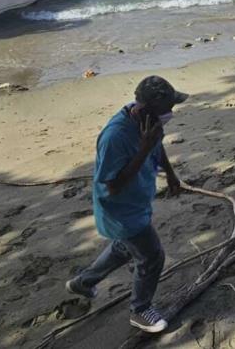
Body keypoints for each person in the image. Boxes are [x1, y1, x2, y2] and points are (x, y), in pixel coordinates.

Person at [66, 75, 189, 334]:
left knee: (124, 248)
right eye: (167, 109)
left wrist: (169, 173)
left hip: (137, 200)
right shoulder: (115, 137)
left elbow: (157, 146)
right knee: (152, 256)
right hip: (119, 210)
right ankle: (140, 309)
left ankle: (83, 283)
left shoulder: (150, 123)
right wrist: (143, 149)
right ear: (145, 108)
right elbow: (112, 186)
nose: (170, 113)